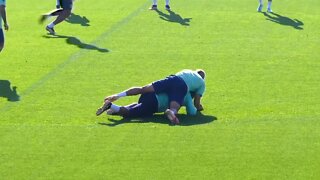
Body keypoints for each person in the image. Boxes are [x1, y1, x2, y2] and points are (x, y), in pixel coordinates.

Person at [97, 69, 206, 123]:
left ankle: (118, 96)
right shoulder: (200, 84)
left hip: (173, 78)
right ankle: (111, 106)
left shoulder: (187, 71)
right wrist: (199, 108)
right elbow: (196, 103)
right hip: (160, 99)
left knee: (142, 89)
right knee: (132, 114)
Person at [102, 91, 198, 124]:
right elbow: (192, 112)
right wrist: (197, 106)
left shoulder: (178, 85)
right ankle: (111, 105)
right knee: (131, 113)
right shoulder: (188, 96)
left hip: (149, 95)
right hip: (154, 103)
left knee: (144, 112)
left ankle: (113, 111)